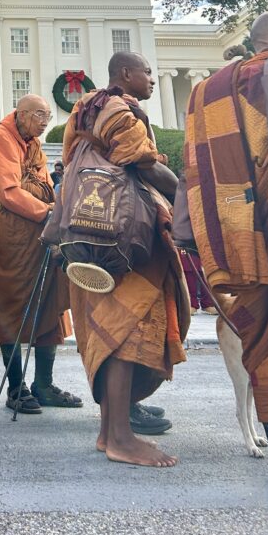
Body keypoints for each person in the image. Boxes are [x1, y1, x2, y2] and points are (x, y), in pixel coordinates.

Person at [62, 52, 189, 467]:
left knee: (109, 328)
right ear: (126, 74)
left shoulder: (85, 108)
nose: (152, 79)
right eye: (147, 72)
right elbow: (146, 167)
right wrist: (187, 197)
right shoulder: (118, 109)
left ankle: (108, 432)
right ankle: (120, 437)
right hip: (126, 240)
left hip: (91, 236)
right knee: (126, 332)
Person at [184, 12, 268, 495]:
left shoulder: (208, 91)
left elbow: (195, 169)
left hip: (237, 237)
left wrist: (191, 234)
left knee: (264, 338)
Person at [0, 95, 81, 415]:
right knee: (10, 305)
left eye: (48, 117)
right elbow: (7, 192)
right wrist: (47, 213)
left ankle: (44, 384)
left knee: (50, 304)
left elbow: (45, 183)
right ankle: (16, 387)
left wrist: (51, 209)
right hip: (12, 235)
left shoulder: (33, 142)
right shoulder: (0, 139)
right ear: (20, 114)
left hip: (41, 235)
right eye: (39, 115)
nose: (44, 122)